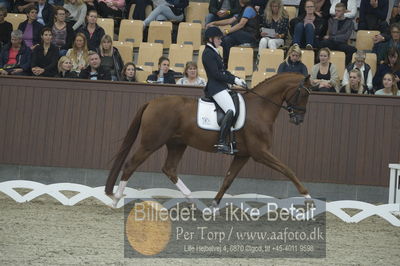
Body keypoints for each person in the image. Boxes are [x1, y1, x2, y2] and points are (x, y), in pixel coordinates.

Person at [202, 27, 247, 154]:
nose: (220, 41)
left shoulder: (214, 51)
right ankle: (221, 142)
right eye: (218, 38)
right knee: (231, 110)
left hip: (221, 86)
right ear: (210, 39)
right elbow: (216, 74)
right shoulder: (208, 53)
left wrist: (236, 79)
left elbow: (223, 71)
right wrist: (234, 81)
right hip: (215, 87)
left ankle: (231, 140)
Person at [206, 0, 259, 65]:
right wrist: (214, 23)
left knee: (233, 33)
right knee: (226, 40)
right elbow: (230, 20)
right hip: (241, 35)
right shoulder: (241, 9)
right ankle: (225, 62)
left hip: (251, 36)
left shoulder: (249, 9)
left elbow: (241, 24)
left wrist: (227, 31)